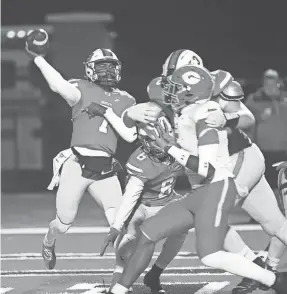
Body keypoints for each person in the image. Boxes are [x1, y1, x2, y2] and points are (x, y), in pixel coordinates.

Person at [107, 65, 287, 294]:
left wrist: (224, 119)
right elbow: (137, 115)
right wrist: (129, 113)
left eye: (175, 85)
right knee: (148, 232)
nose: (169, 90)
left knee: (211, 250)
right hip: (205, 187)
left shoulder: (207, 112)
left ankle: (266, 275)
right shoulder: (182, 108)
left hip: (223, 175)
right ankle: (120, 290)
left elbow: (208, 166)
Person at [25, 30, 137, 270]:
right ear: (90, 69)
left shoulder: (127, 99)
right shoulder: (81, 89)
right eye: (101, 66)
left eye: (111, 66)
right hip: (77, 165)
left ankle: (125, 273)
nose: (107, 71)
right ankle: (48, 241)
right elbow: (58, 86)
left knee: (119, 222)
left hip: (105, 170)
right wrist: (38, 58)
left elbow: (129, 135)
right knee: (64, 224)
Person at [100, 115, 187, 291]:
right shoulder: (140, 160)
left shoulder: (179, 149)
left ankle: (155, 273)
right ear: (145, 142)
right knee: (128, 238)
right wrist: (116, 226)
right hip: (142, 205)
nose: (161, 144)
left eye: (164, 139)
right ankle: (118, 275)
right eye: (156, 140)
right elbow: (131, 196)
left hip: (166, 202)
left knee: (182, 228)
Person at [245, 69, 287, 188]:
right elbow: (245, 120)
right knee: (267, 186)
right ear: (263, 81)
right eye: (267, 80)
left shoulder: (285, 98)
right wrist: (258, 116)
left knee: (283, 186)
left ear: (278, 81)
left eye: (273, 80)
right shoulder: (254, 99)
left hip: (284, 150)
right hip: (264, 150)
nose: (270, 83)